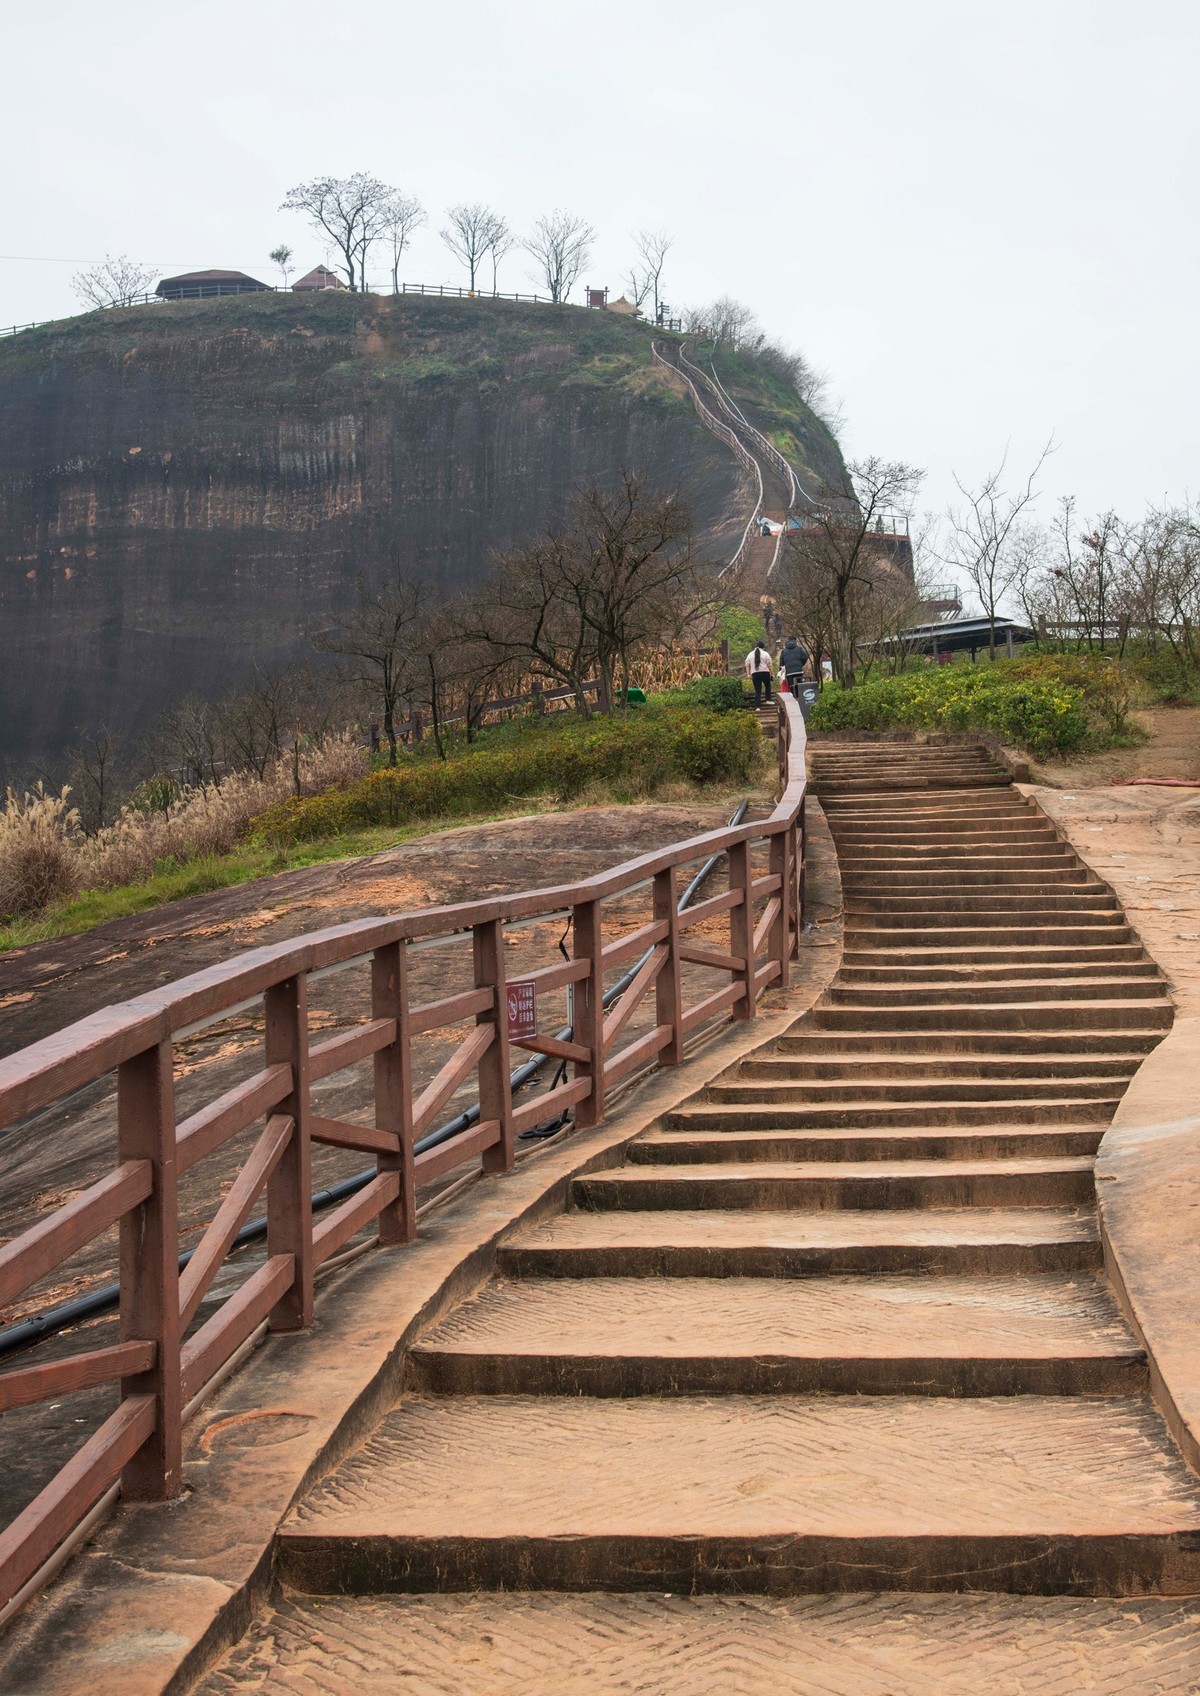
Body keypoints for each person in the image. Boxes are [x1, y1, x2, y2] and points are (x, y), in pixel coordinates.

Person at [744, 641, 773, 706]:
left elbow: (747, 664)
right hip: (765, 672)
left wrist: (748, 674)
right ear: (763, 647)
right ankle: (768, 700)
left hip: (755, 673)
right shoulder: (765, 653)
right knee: (768, 686)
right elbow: (769, 664)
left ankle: (757, 707)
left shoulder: (750, 654)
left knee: (757, 690)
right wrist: (772, 673)